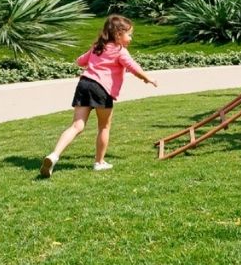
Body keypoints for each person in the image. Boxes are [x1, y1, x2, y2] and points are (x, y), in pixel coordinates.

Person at [40, 15, 158, 177]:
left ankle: (54, 155)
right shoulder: (120, 51)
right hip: (101, 89)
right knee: (104, 127)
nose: (131, 38)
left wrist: (91, 58)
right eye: (129, 34)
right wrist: (148, 78)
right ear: (118, 34)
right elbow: (133, 67)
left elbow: (80, 61)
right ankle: (99, 162)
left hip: (84, 84)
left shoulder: (97, 47)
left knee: (76, 126)